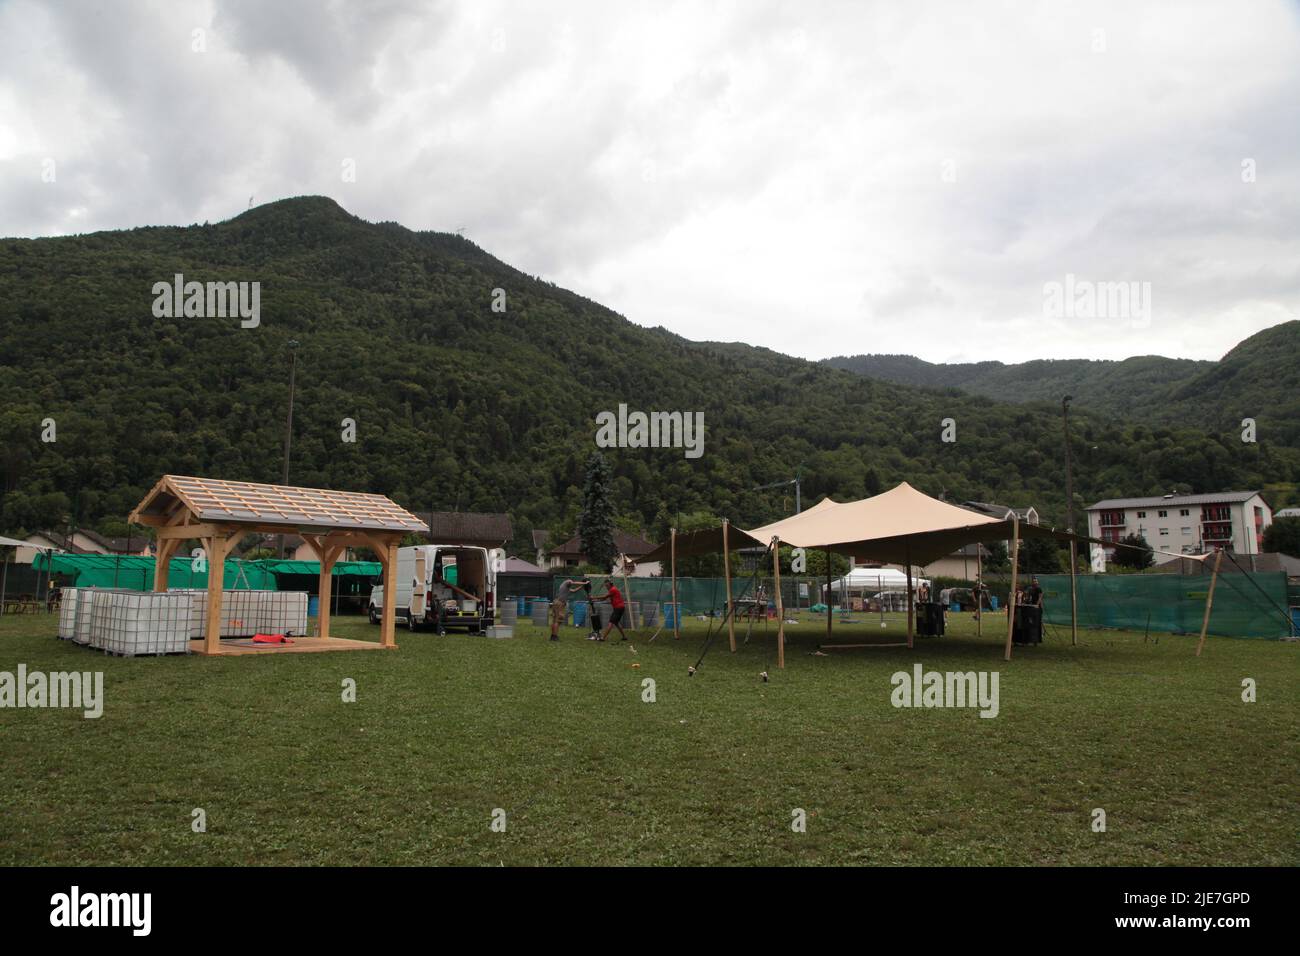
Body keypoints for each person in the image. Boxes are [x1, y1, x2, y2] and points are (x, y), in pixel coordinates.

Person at [591, 577, 629, 642]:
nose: (606, 587)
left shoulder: (613, 589)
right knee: (616, 623)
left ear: (610, 584)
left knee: (611, 622)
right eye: (605, 586)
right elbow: (604, 599)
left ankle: (603, 638)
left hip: (618, 608)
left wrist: (593, 597)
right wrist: (594, 600)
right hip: (619, 608)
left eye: (607, 585)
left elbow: (605, 597)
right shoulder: (612, 590)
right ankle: (624, 637)